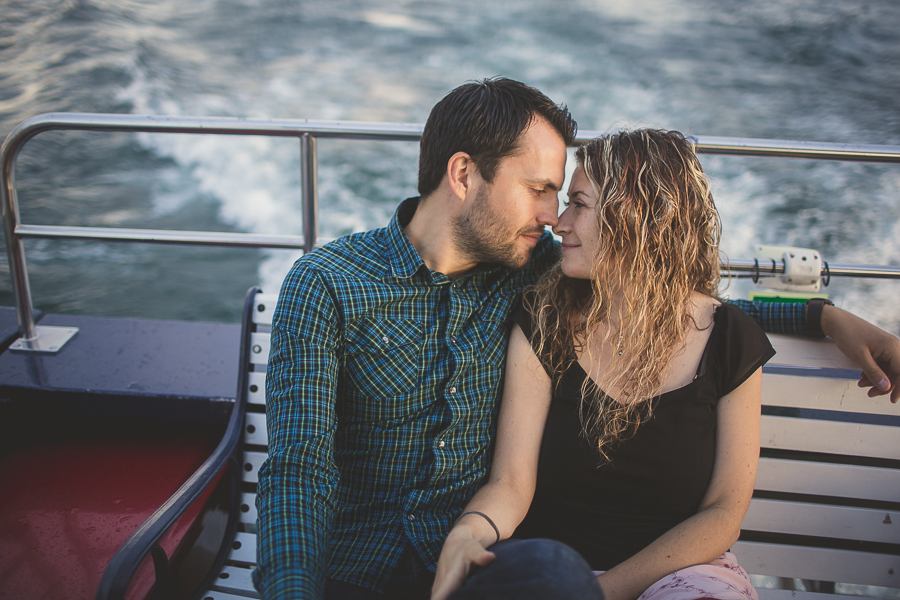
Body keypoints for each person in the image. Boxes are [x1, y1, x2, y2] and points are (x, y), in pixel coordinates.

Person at [254, 79, 900, 600]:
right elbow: (298, 470)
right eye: (538, 190)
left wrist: (822, 317)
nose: (552, 216)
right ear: (463, 174)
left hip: (483, 562)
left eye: (564, 198)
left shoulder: (534, 267)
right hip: (357, 569)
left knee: (555, 578)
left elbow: (670, 294)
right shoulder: (328, 284)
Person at [430, 129, 885, 600]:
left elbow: (723, 512)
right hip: (552, 569)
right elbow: (511, 483)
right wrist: (469, 532)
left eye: (579, 204)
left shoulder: (729, 340)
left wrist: (605, 592)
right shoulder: (544, 319)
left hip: (678, 574)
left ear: (636, 218)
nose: (558, 222)